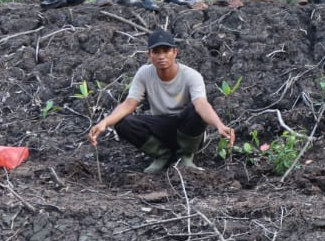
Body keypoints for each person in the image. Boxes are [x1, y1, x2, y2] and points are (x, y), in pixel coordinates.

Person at [88, 29, 234, 174]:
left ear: (175, 52)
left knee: (195, 111)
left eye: (166, 51)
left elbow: (201, 104)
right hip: (160, 126)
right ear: (149, 55)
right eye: (156, 52)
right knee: (123, 123)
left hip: (184, 127)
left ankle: (186, 156)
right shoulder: (144, 73)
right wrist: (105, 122)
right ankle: (162, 155)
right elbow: (129, 104)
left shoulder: (191, 75)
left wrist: (219, 125)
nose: (161, 56)